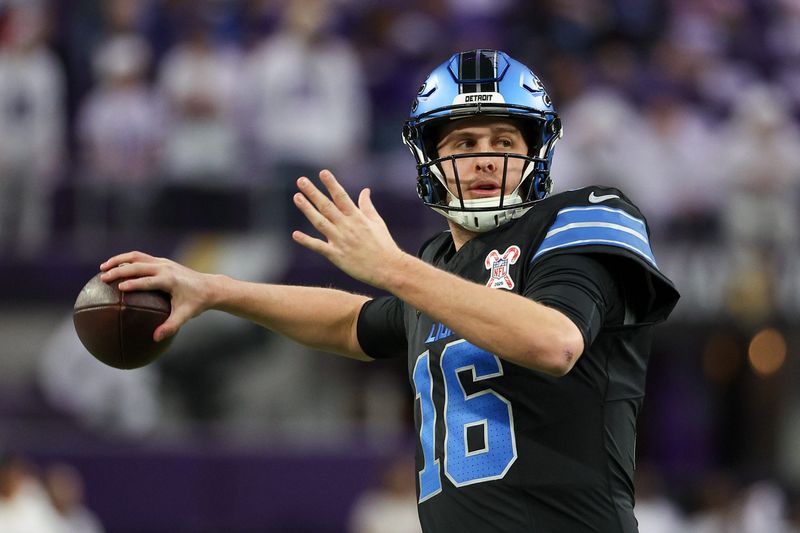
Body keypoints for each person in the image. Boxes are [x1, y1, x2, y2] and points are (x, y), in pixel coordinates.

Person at [100, 49, 679, 532]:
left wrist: (393, 268)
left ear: (536, 152)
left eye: (504, 139)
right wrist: (215, 289)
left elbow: (555, 341)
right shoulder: (439, 267)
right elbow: (350, 322)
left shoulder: (584, 216)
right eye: (464, 144)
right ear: (430, 159)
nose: (485, 159)